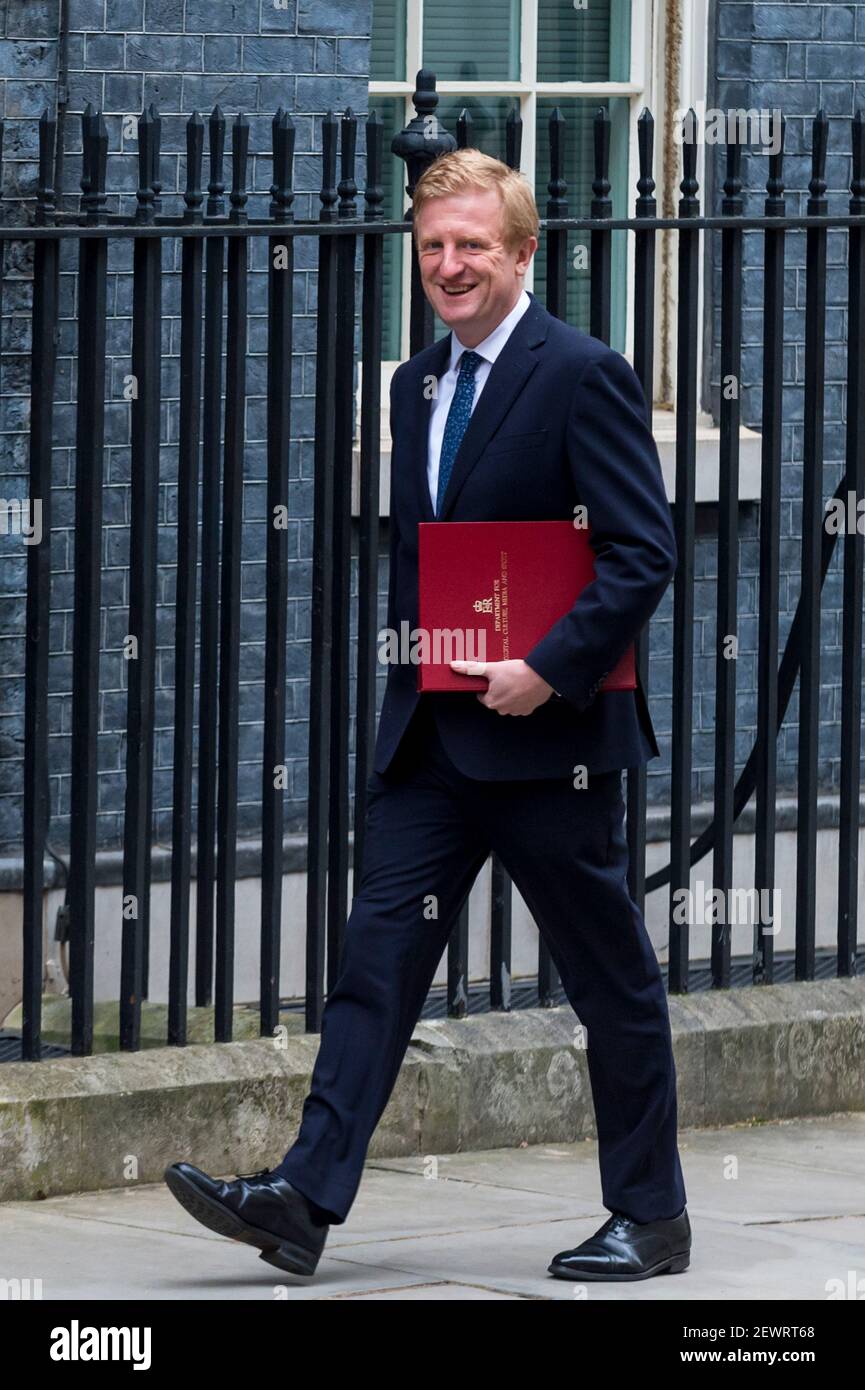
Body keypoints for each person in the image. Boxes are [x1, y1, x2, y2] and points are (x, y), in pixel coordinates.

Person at [164, 148, 690, 1283]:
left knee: (608, 980)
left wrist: (549, 668)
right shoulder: (414, 380)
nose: (448, 266)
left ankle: (651, 1217)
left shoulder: (582, 372)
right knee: (375, 964)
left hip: (551, 747)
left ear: (522, 252)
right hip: (433, 735)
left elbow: (641, 551)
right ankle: (304, 1198)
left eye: (472, 246)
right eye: (433, 245)